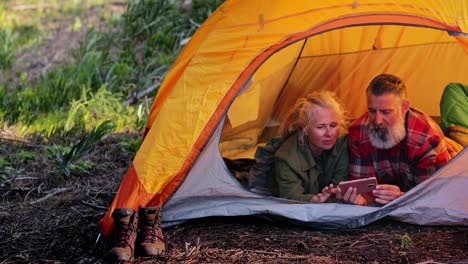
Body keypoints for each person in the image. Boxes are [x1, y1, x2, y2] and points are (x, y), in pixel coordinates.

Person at [342, 73, 461, 206]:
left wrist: (401, 197)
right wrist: (362, 200)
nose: (377, 120)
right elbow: (364, 190)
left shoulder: (426, 137)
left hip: (453, 168)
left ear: (404, 107)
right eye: (372, 111)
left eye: (386, 112)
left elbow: (434, 194)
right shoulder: (358, 133)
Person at [273, 91, 349, 203]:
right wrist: (314, 200)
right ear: (305, 129)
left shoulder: (342, 144)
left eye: (333, 125)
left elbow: (341, 184)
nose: (329, 133)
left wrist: (335, 195)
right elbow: (290, 197)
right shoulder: (287, 158)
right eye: (320, 127)